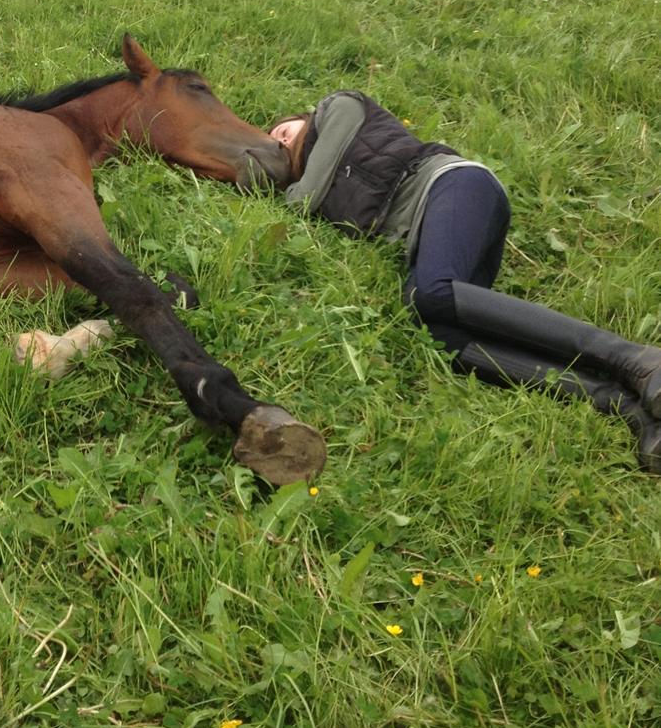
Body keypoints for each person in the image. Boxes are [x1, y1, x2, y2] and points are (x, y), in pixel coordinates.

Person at [267, 91, 661, 473]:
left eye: (281, 131)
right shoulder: (326, 186)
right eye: (274, 145)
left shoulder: (339, 105)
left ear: (301, 118)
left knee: (430, 293)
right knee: (439, 338)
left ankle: (633, 359)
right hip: (436, 238)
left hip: (453, 185)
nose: (279, 142)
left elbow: (304, 198)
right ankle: (625, 405)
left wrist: (277, 179)